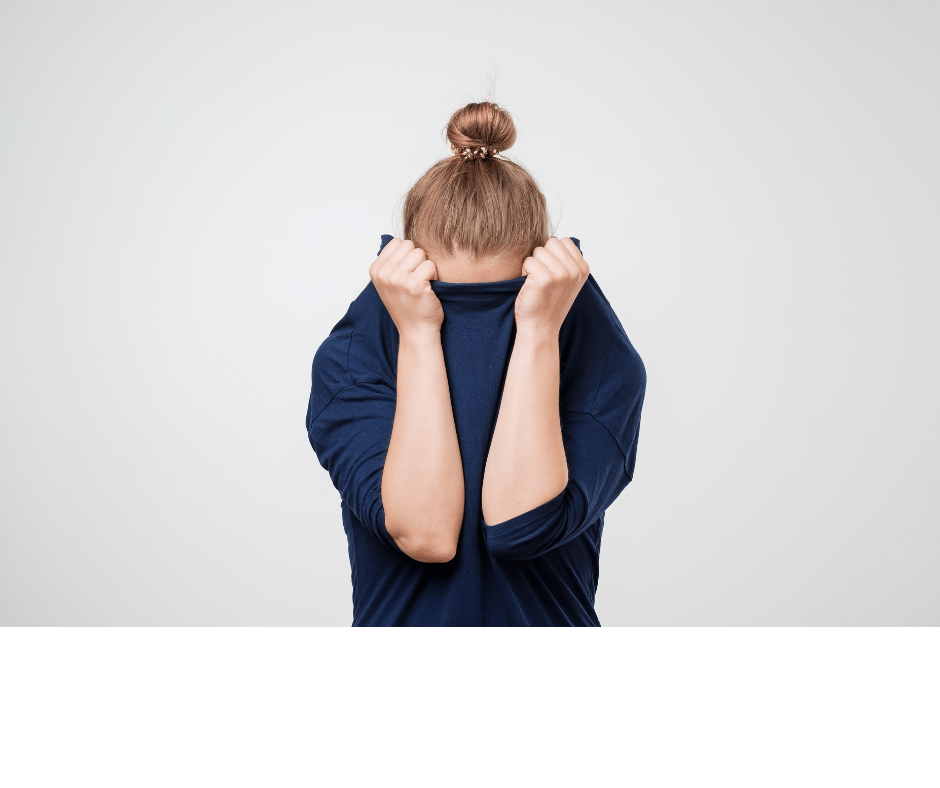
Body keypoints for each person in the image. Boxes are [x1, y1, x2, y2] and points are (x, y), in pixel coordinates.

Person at [306, 101, 646, 626]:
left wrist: (537, 332)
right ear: (403, 280)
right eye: (448, 303)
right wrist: (419, 334)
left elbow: (521, 527)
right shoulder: (353, 360)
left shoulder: (600, 362)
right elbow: (426, 535)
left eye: (502, 304)